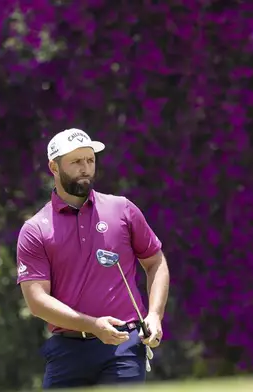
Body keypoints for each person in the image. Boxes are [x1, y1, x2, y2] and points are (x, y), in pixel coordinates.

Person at [16, 128, 171, 389]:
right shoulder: (36, 229)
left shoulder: (122, 209)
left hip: (124, 344)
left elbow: (155, 262)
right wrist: (93, 325)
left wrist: (155, 315)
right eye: (76, 162)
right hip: (67, 350)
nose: (86, 168)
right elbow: (37, 301)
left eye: (90, 160)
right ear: (54, 167)